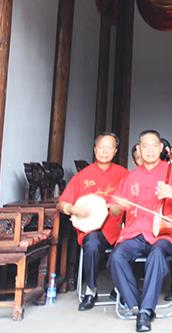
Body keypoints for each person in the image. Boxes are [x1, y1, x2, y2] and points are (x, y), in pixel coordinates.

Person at [108, 130, 172, 332]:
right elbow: (114, 210)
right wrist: (118, 205)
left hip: (163, 235)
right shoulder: (131, 177)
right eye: (145, 146)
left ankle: (145, 312)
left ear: (160, 148)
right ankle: (138, 304)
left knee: (157, 255)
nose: (149, 150)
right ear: (139, 149)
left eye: (153, 146)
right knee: (116, 257)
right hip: (134, 234)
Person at [57, 132, 128, 311]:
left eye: (109, 148)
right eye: (101, 147)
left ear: (115, 151)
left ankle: (120, 288)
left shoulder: (124, 174)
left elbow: (134, 201)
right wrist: (73, 209)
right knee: (92, 243)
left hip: (118, 230)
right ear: (95, 149)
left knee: (133, 243)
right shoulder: (83, 176)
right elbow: (61, 203)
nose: (104, 151)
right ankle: (91, 289)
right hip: (92, 230)